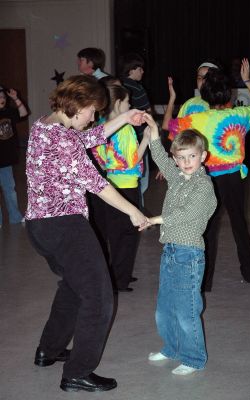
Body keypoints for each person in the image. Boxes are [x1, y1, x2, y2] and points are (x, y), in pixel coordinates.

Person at [25, 75, 148, 393]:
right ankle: (77, 372)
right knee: (99, 296)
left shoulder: (45, 126)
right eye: (93, 110)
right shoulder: (64, 140)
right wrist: (134, 211)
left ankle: (48, 351)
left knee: (73, 287)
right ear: (78, 106)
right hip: (65, 227)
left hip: (41, 227)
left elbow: (89, 138)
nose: (94, 117)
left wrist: (123, 118)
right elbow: (99, 184)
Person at [163, 58, 250, 291]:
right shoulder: (239, 115)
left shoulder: (195, 120)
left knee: (208, 226)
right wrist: (247, 80)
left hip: (207, 178)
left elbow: (168, 124)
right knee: (240, 223)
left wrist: (171, 99)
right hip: (234, 179)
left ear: (204, 95)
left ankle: (204, 282)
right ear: (228, 94)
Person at [141, 114, 217, 375]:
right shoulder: (177, 178)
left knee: (187, 310)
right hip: (170, 252)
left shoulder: (203, 186)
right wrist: (153, 132)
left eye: (192, 156)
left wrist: (154, 218)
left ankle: (194, 358)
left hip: (190, 255)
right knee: (165, 308)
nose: (186, 162)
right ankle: (171, 347)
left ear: (203, 156)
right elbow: (160, 157)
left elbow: (186, 213)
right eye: (181, 157)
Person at [91, 83, 150, 291]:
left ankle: (118, 274)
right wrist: (147, 139)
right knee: (127, 235)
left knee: (115, 233)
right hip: (125, 186)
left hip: (110, 185)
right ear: (117, 103)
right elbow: (132, 161)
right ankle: (119, 280)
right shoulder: (123, 129)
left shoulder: (100, 124)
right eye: (127, 101)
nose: (130, 104)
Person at [120, 53, 152, 209]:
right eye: (140, 69)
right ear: (132, 70)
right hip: (138, 137)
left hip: (120, 136)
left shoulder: (119, 85)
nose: (142, 72)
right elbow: (148, 112)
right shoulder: (137, 88)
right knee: (141, 177)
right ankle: (139, 210)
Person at [0, 85, 28, 227]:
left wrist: (16, 98)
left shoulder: (9, 112)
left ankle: (15, 217)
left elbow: (23, 113)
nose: (2, 99)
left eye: (3, 97)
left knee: (9, 189)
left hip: (6, 160)